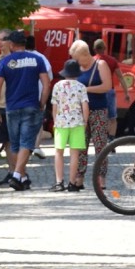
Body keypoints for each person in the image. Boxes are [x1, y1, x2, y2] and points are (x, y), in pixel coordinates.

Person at [0, 29, 50, 191]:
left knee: (16, 144)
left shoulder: (5, 62)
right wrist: (42, 102)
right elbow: (46, 84)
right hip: (31, 105)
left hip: (11, 107)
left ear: (11, 44)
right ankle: (21, 176)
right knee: (26, 142)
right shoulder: (37, 59)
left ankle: (18, 175)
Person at [68, 39, 112, 192]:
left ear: (85, 54)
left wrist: (86, 89)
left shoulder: (100, 65)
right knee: (80, 145)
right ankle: (79, 179)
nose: (75, 61)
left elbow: (107, 86)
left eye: (77, 58)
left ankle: (101, 178)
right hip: (79, 112)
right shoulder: (77, 68)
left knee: (100, 145)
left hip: (98, 110)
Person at [50, 59, 89, 192]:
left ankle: (59, 182)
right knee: (75, 154)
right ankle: (72, 183)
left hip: (61, 122)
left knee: (59, 152)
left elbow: (54, 106)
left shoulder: (57, 86)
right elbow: (85, 106)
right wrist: (85, 121)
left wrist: (55, 120)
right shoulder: (81, 87)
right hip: (77, 122)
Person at [0, 29, 16, 185]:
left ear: (10, 41)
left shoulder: (16, 59)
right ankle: (11, 171)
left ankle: (18, 172)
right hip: (0, 104)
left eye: (3, 39)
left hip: (13, 105)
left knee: (15, 141)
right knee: (6, 142)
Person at [93, 38, 131, 140]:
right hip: (109, 91)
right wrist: (126, 93)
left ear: (94, 49)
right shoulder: (112, 60)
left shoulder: (91, 61)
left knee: (97, 116)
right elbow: (121, 78)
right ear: (105, 48)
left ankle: (100, 138)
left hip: (95, 91)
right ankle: (111, 140)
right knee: (112, 117)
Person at [25, 35, 52, 159]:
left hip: (22, 96)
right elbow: (49, 77)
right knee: (38, 121)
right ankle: (36, 146)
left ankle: (25, 148)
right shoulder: (42, 58)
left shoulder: (19, 58)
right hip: (40, 94)